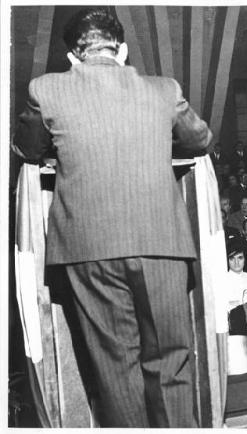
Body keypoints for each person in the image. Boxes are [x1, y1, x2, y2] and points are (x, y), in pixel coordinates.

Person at [12, 8, 212, 427]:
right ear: (121, 50)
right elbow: (199, 139)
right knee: (172, 362)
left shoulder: (47, 88)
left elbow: (27, 148)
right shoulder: (163, 88)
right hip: (162, 244)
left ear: (71, 57)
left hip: (89, 249)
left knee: (115, 370)